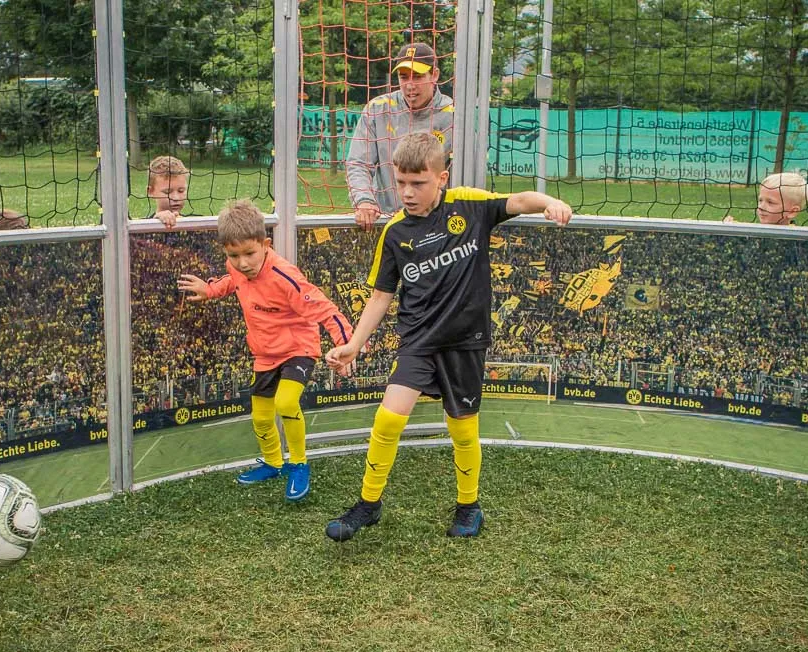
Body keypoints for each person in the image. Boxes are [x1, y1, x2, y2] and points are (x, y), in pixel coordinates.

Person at [324, 132, 572, 541]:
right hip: (418, 340)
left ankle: (469, 506)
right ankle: (368, 505)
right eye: (401, 182)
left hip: (465, 341)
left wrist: (550, 202)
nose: (407, 192)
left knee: (462, 427)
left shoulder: (468, 205)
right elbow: (382, 296)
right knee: (389, 417)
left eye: (418, 183)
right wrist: (353, 344)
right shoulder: (395, 233)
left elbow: (519, 200)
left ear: (442, 178)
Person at [177, 199, 355, 501]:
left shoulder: (285, 276)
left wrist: (346, 344)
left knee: (285, 402)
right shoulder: (235, 268)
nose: (242, 263)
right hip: (265, 353)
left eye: (249, 253)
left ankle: (299, 464)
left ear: (265, 244)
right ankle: (273, 463)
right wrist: (210, 290)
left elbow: (324, 308)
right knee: (260, 417)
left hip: (298, 347)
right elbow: (231, 280)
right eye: (234, 255)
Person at [346, 43, 454, 231]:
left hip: (439, 224)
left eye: (417, 76)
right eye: (404, 77)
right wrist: (364, 201)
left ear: (434, 75)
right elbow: (358, 163)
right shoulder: (377, 109)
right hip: (389, 223)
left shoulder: (454, 116)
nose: (410, 85)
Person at [724, 172, 808, 225]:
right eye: (760, 200)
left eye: (770, 202)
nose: (761, 207)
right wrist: (729, 230)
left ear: (792, 212)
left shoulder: (797, 239)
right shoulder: (752, 231)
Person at [147, 155, 189, 228]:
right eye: (167, 192)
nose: (176, 198)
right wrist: (156, 220)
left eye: (181, 191)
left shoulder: (197, 224)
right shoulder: (140, 227)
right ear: (150, 191)